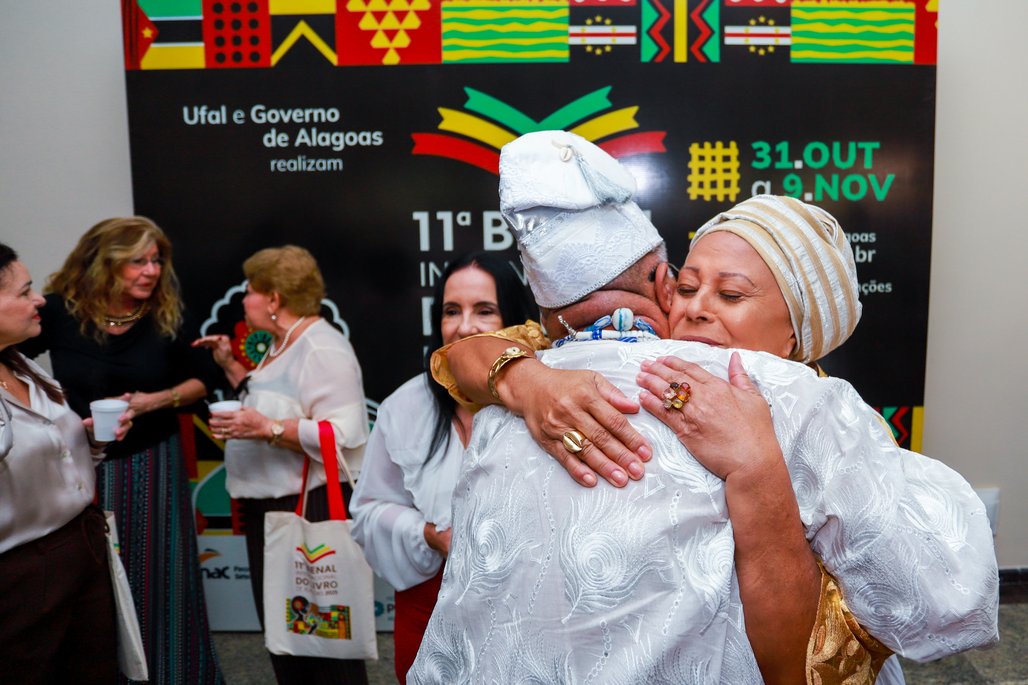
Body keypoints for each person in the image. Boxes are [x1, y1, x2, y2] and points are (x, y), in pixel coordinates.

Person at [409, 132, 998, 684]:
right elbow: (463, 355)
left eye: (732, 295)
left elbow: (808, 664)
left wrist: (758, 468)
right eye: (686, 289)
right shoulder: (608, 361)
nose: (696, 310)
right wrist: (526, 381)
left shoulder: (817, 414)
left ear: (795, 333)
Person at [18, 218, 223, 684]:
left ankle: (173, 671)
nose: (151, 271)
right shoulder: (58, 313)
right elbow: (11, 354)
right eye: (138, 261)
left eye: (156, 260)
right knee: (93, 580)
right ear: (104, 261)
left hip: (153, 466)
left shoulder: (168, 314)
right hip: (80, 467)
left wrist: (154, 401)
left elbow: (203, 380)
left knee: (159, 575)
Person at [349, 251, 535, 682]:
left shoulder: (546, 401)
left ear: (515, 316)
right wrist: (429, 535)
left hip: (529, 612)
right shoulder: (406, 406)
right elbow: (370, 509)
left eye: (484, 310)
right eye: (452, 311)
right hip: (429, 611)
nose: (464, 326)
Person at [193, 245, 371, 685]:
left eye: (249, 291)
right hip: (269, 514)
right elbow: (279, 397)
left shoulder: (321, 347)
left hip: (306, 509)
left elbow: (344, 434)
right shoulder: (281, 345)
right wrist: (231, 367)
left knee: (322, 647)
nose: (244, 300)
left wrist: (269, 428)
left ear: (274, 300)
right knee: (290, 640)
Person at [0, 243, 132, 683]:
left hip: (81, 545)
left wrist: (88, 439)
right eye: (25, 292)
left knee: (93, 669)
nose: (39, 300)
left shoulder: (22, 366)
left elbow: (53, 453)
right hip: (22, 570)